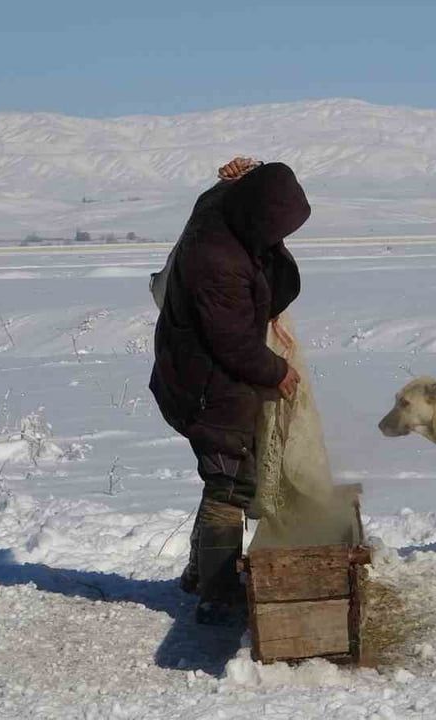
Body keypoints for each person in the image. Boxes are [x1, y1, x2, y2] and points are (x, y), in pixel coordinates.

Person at [149, 158, 309, 625]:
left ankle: (200, 573)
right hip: (205, 383)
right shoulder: (217, 262)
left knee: (225, 476)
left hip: (206, 372)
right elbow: (232, 341)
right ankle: (217, 596)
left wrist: (250, 171)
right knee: (230, 481)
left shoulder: (224, 204)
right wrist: (275, 370)